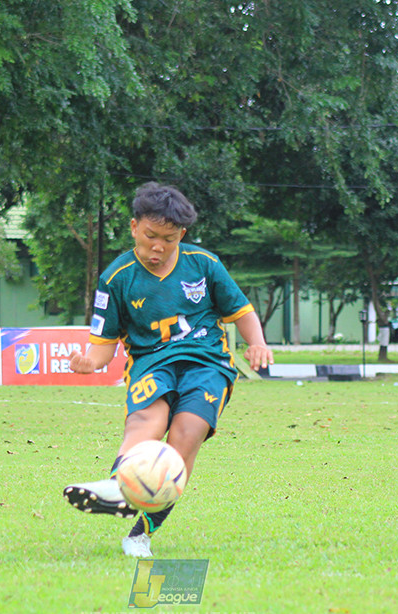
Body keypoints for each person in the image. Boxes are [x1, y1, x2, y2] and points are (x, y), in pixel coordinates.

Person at [62, 182, 273, 558]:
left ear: (183, 236)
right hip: (150, 362)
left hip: (207, 363)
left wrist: (257, 342)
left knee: (185, 436)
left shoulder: (204, 264)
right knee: (146, 421)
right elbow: (102, 346)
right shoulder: (116, 278)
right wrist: (87, 363)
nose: (157, 247)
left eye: (169, 239)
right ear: (133, 227)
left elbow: (242, 311)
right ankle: (118, 486)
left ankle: (140, 533)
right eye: (150, 236)